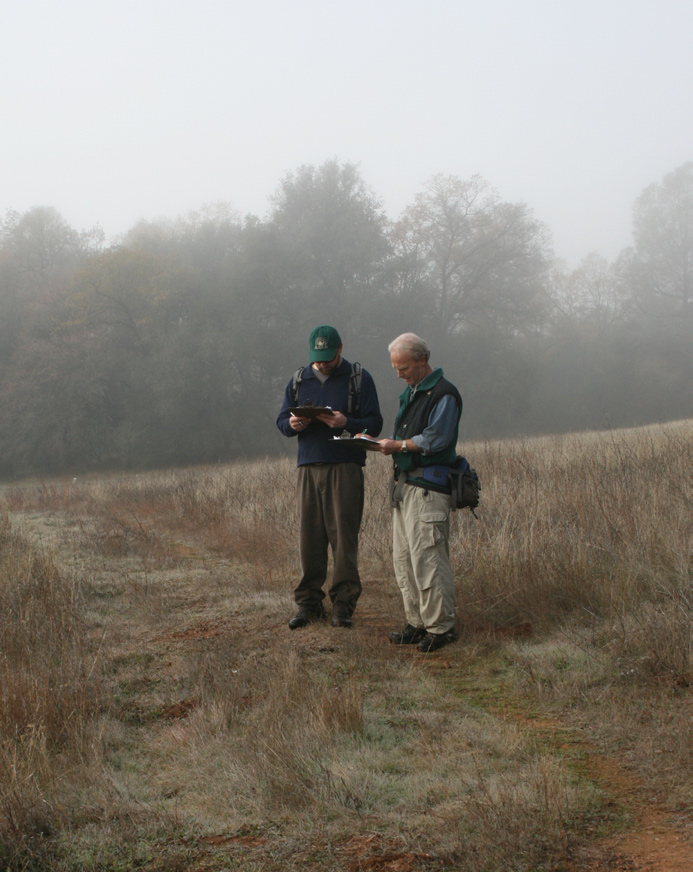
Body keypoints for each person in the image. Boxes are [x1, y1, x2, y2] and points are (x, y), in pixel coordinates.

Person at [277, 325, 383, 629]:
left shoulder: (359, 379)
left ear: (339, 349)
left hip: (346, 465)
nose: (321, 364)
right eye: (317, 358)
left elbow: (374, 422)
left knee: (343, 537)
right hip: (308, 466)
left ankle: (343, 605)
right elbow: (282, 420)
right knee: (309, 537)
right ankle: (308, 604)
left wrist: (345, 421)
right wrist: (294, 424)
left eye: (327, 357)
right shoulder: (299, 380)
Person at [376, 333, 462, 652]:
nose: (399, 374)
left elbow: (436, 439)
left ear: (423, 360)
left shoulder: (444, 393)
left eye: (404, 367)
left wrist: (396, 445)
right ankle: (416, 623)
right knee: (404, 559)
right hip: (405, 486)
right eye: (396, 368)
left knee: (429, 558)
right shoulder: (412, 393)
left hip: (428, 489)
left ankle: (441, 628)